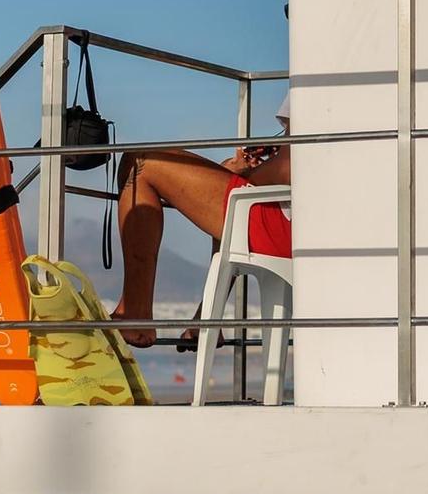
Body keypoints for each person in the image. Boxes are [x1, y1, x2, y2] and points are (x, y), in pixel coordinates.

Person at [110, 94, 293, 349]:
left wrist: (243, 174)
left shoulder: (320, 78)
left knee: (140, 160)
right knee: (235, 199)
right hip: (305, 226)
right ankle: (208, 318)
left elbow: (290, 168)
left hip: (286, 230)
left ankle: (135, 313)